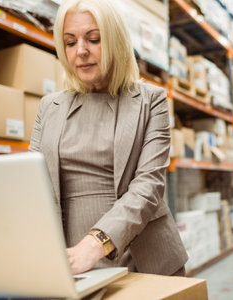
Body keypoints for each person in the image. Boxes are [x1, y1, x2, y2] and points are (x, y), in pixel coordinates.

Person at [28, 0, 188, 276]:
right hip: (72, 259)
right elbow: (32, 183)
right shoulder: (49, 107)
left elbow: (149, 185)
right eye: (69, 42)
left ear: (116, 41)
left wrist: (97, 243)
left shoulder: (152, 101)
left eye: (94, 39)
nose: (81, 51)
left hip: (142, 257)